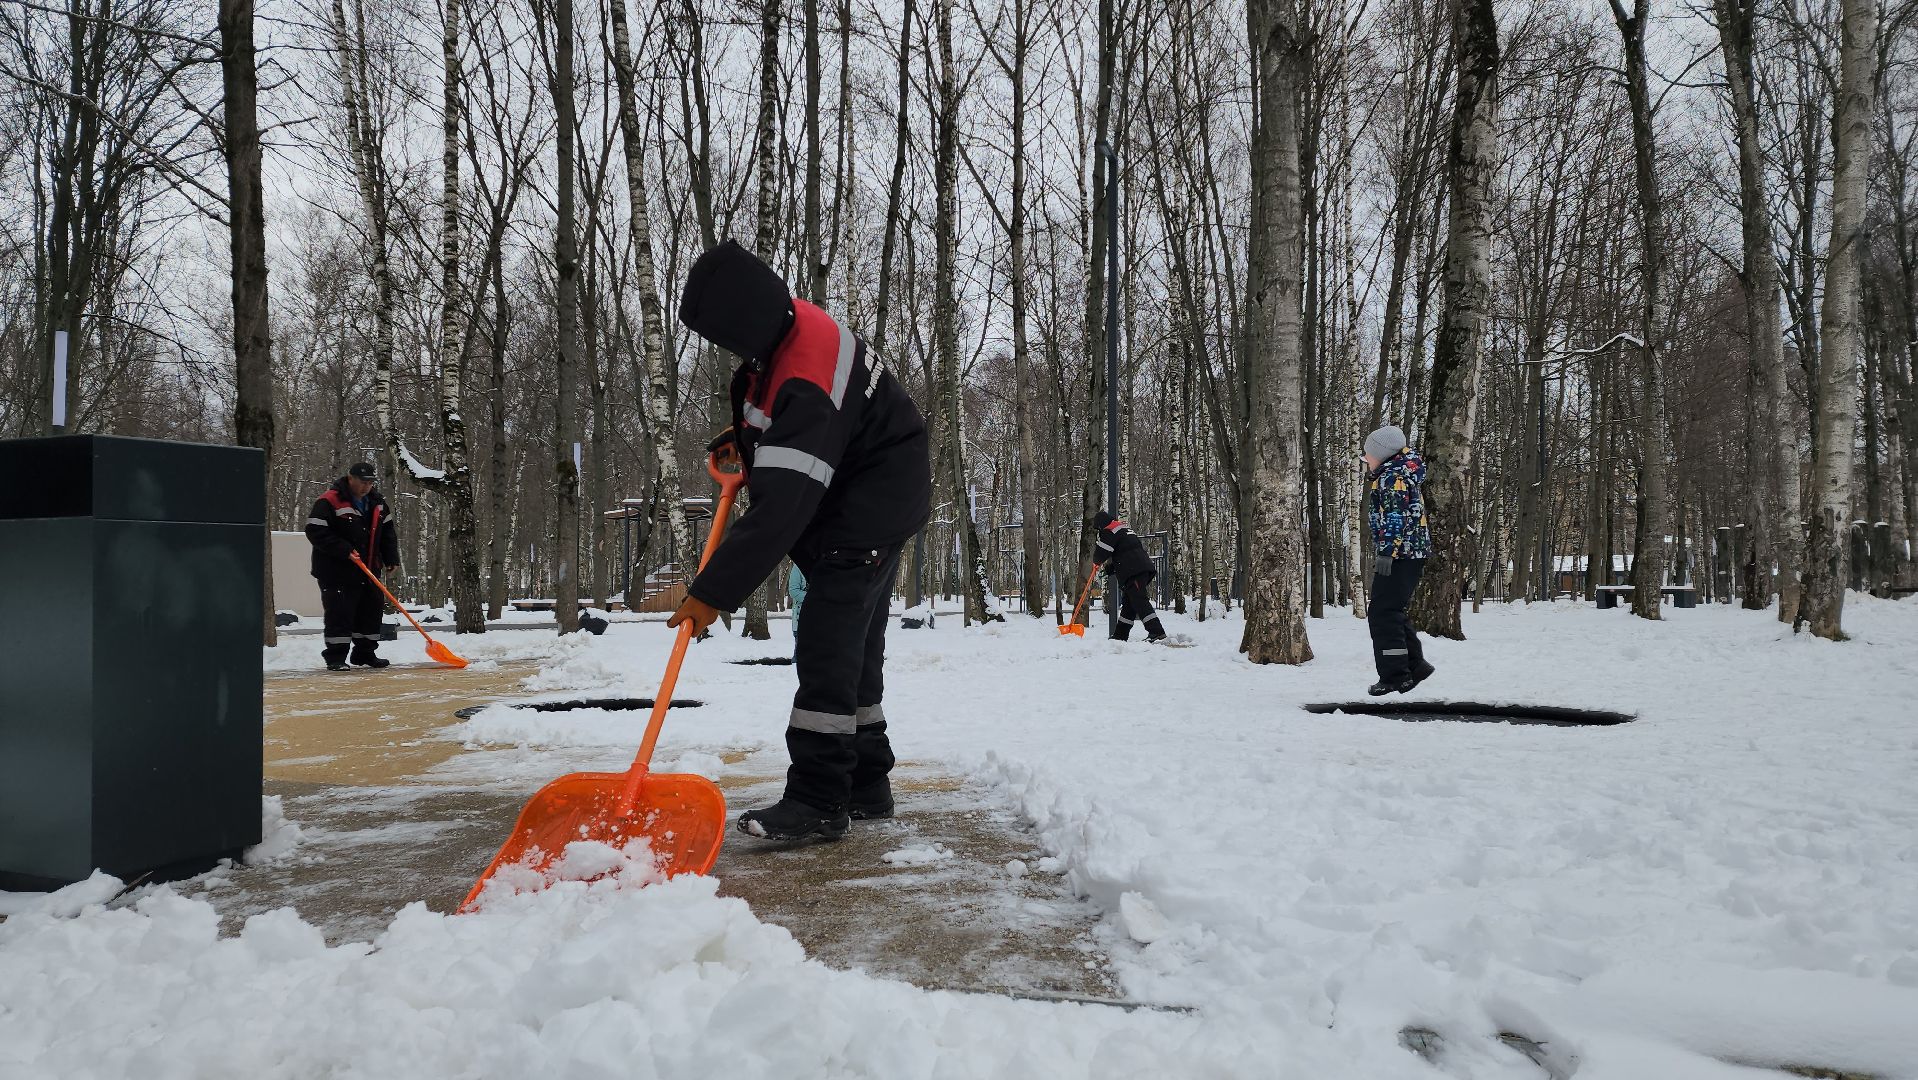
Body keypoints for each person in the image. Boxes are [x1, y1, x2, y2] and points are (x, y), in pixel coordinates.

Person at [667, 240, 931, 842]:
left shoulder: (807, 375)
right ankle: (866, 782)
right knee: (854, 650)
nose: (728, 350)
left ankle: (818, 798)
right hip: (877, 493)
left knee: (827, 645)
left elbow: (783, 506)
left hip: (865, 509)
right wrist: (748, 440)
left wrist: (713, 592)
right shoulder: (791, 328)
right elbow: (789, 413)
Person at [305, 461, 401, 672]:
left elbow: (387, 534)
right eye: (362, 482)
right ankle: (336, 657)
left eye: (370, 482)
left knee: (371, 611)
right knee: (340, 613)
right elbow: (315, 530)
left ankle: (364, 653)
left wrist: (391, 558)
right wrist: (343, 549)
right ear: (351, 479)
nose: (366, 487)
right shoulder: (329, 501)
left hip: (369, 568)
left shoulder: (378, 503)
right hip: (337, 570)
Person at [1363, 425, 1435, 695]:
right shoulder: (1401, 473)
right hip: (1409, 553)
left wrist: (1386, 552)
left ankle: (1396, 675)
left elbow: (1396, 516)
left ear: (1381, 454)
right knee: (1391, 610)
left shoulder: (1392, 477)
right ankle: (1414, 665)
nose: (1366, 459)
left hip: (1400, 554)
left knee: (1382, 614)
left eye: (1368, 454)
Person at [1092, 511, 1167, 642]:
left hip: (1134, 572)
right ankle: (1120, 636)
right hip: (1139, 568)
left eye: (1098, 529)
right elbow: (1125, 551)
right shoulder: (1123, 529)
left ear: (1101, 525)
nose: (1099, 531)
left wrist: (1096, 562)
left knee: (1139, 600)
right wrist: (1111, 568)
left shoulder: (1110, 531)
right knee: (1129, 605)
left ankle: (1157, 632)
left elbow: (1101, 553)